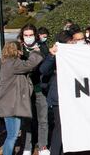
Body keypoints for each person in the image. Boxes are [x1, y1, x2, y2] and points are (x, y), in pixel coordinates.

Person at [0, 41, 43, 155]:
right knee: (12, 136)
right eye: (20, 49)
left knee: (12, 134)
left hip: (10, 105)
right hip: (11, 106)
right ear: (17, 50)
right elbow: (29, 64)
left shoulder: (7, 63)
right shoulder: (12, 64)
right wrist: (35, 52)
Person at [19, 24, 50, 155]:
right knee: (27, 120)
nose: (28, 38)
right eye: (26, 35)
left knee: (43, 119)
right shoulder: (18, 49)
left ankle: (43, 145)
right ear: (22, 36)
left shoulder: (42, 47)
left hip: (39, 89)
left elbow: (46, 66)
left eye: (30, 35)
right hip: (24, 90)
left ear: (35, 35)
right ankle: (27, 146)